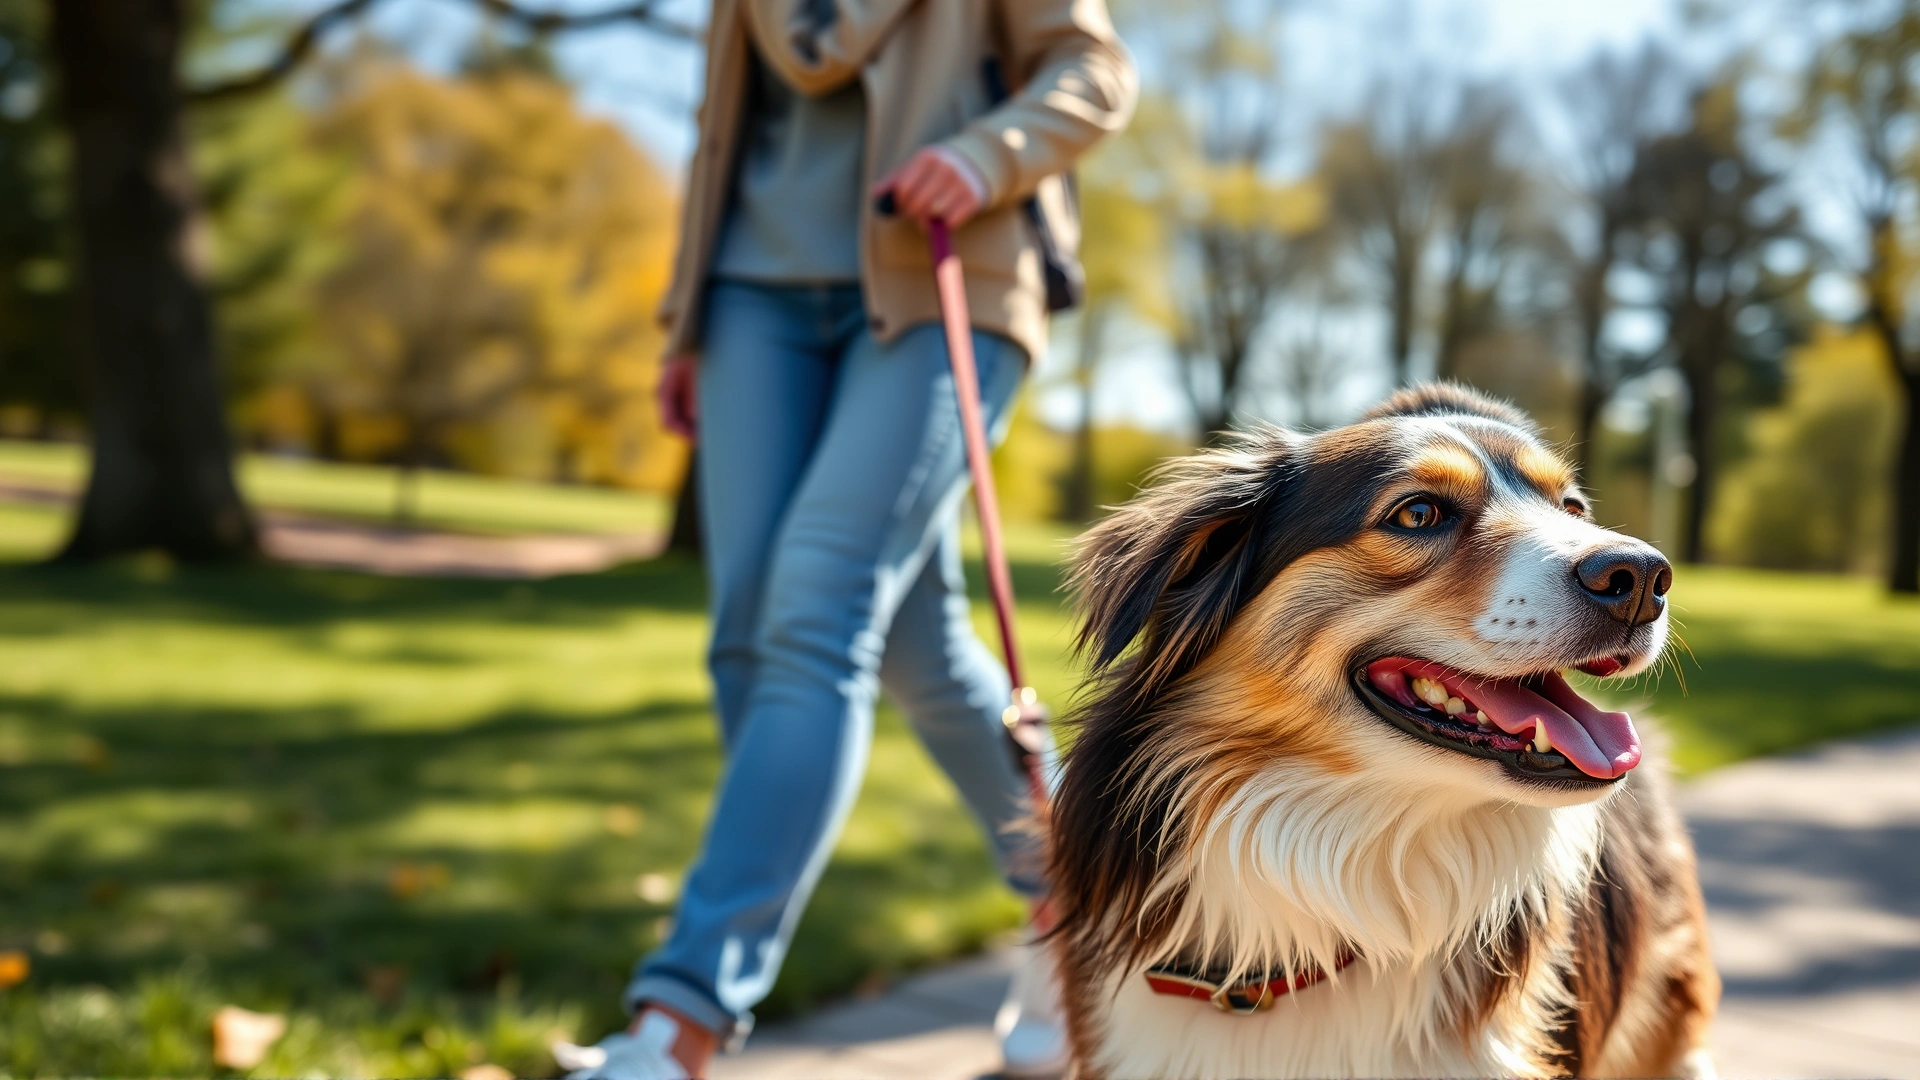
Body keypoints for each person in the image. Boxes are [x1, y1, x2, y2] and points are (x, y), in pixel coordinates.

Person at [554, 1, 1135, 1077]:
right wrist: (687, 322)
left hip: (940, 276)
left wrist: (984, 152)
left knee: (813, 614)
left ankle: (677, 1022)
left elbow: (1091, 71)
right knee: (846, 644)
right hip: (748, 301)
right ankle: (1080, 912)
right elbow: (724, 121)